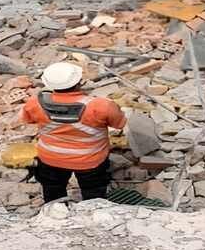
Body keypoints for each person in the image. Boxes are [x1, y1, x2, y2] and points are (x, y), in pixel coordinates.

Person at [19, 62, 126, 203]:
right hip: (90, 161)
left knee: (53, 192)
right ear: (79, 82)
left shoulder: (35, 103)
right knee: (94, 193)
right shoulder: (101, 106)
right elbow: (119, 124)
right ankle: (93, 215)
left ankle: (56, 215)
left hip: (50, 158)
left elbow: (28, 120)